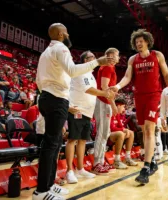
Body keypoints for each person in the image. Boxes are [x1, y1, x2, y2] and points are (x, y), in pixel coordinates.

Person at [34, 23, 115, 200]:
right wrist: (97, 62)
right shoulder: (61, 48)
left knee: (54, 144)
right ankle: (41, 191)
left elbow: (38, 80)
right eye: (67, 32)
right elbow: (71, 70)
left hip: (47, 97)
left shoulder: (46, 53)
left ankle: (48, 185)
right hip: (56, 99)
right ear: (61, 34)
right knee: (51, 145)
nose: (69, 34)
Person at [110, 29, 168, 184]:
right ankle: (151, 161)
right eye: (136, 42)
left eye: (141, 41)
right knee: (143, 130)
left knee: (149, 129)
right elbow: (127, 77)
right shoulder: (133, 59)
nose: (138, 43)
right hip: (139, 96)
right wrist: (117, 87)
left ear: (147, 41)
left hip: (154, 95)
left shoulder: (157, 55)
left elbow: (166, 75)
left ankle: (145, 168)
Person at [65, 50, 115, 183]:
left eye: (94, 56)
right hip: (77, 110)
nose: (95, 58)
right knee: (72, 140)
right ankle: (69, 171)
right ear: (86, 60)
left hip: (87, 112)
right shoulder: (80, 71)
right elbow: (88, 90)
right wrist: (105, 93)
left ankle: (80, 169)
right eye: (91, 57)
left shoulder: (91, 75)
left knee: (82, 141)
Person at [92, 48, 120, 175]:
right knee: (102, 132)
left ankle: (101, 161)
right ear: (111, 56)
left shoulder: (108, 67)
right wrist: (113, 104)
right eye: (117, 55)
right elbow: (104, 87)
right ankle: (97, 163)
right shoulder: (108, 67)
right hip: (103, 102)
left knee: (105, 132)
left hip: (104, 102)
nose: (118, 57)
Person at [109, 98, 138, 169]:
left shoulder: (117, 114)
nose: (124, 109)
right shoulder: (110, 112)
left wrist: (125, 130)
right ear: (118, 106)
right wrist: (123, 130)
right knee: (120, 133)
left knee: (131, 133)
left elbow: (120, 126)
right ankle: (116, 161)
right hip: (106, 134)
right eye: (123, 107)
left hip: (114, 134)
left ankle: (127, 158)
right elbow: (111, 128)